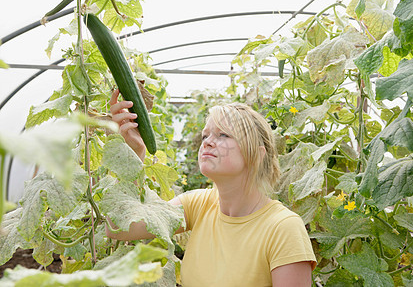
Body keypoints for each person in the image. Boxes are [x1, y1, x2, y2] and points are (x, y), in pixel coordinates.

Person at [107, 89, 317, 286]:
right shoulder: (198, 205)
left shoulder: (284, 228)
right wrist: (132, 156)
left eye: (223, 135)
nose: (207, 142)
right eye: (206, 135)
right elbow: (119, 227)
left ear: (257, 156)